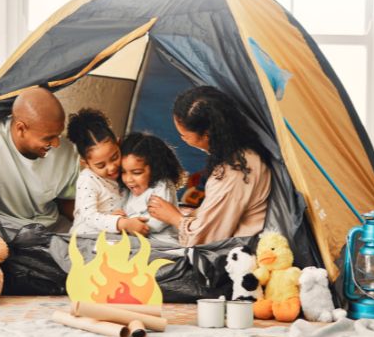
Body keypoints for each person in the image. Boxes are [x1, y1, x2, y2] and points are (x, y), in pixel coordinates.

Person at [148, 86, 271, 246]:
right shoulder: (242, 151)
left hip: (241, 253)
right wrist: (192, 213)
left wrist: (174, 218)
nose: (182, 139)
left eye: (184, 135)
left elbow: (206, 238)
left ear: (207, 135)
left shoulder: (236, 171)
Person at [0, 86, 78, 232]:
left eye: (58, 135)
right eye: (48, 137)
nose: (56, 144)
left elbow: (69, 201)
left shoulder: (68, 152)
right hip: (4, 231)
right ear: (21, 129)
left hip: (51, 229)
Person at [67, 108, 149, 236]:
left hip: (114, 235)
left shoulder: (125, 168)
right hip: (86, 238)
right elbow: (90, 216)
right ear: (85, 163)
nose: (111, 168)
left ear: (118, 142)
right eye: (101, 165)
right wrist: (121, 223)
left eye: (114, 157)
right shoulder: (88, 180)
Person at [119, 132, 185, 244]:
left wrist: (130, 225)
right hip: (135, 240)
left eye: (137, 172)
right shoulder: (128, 190)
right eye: (123, 172)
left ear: (155, 169)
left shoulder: (162, 185)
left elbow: (158, 222)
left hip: (163, 243)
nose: (128, 179)